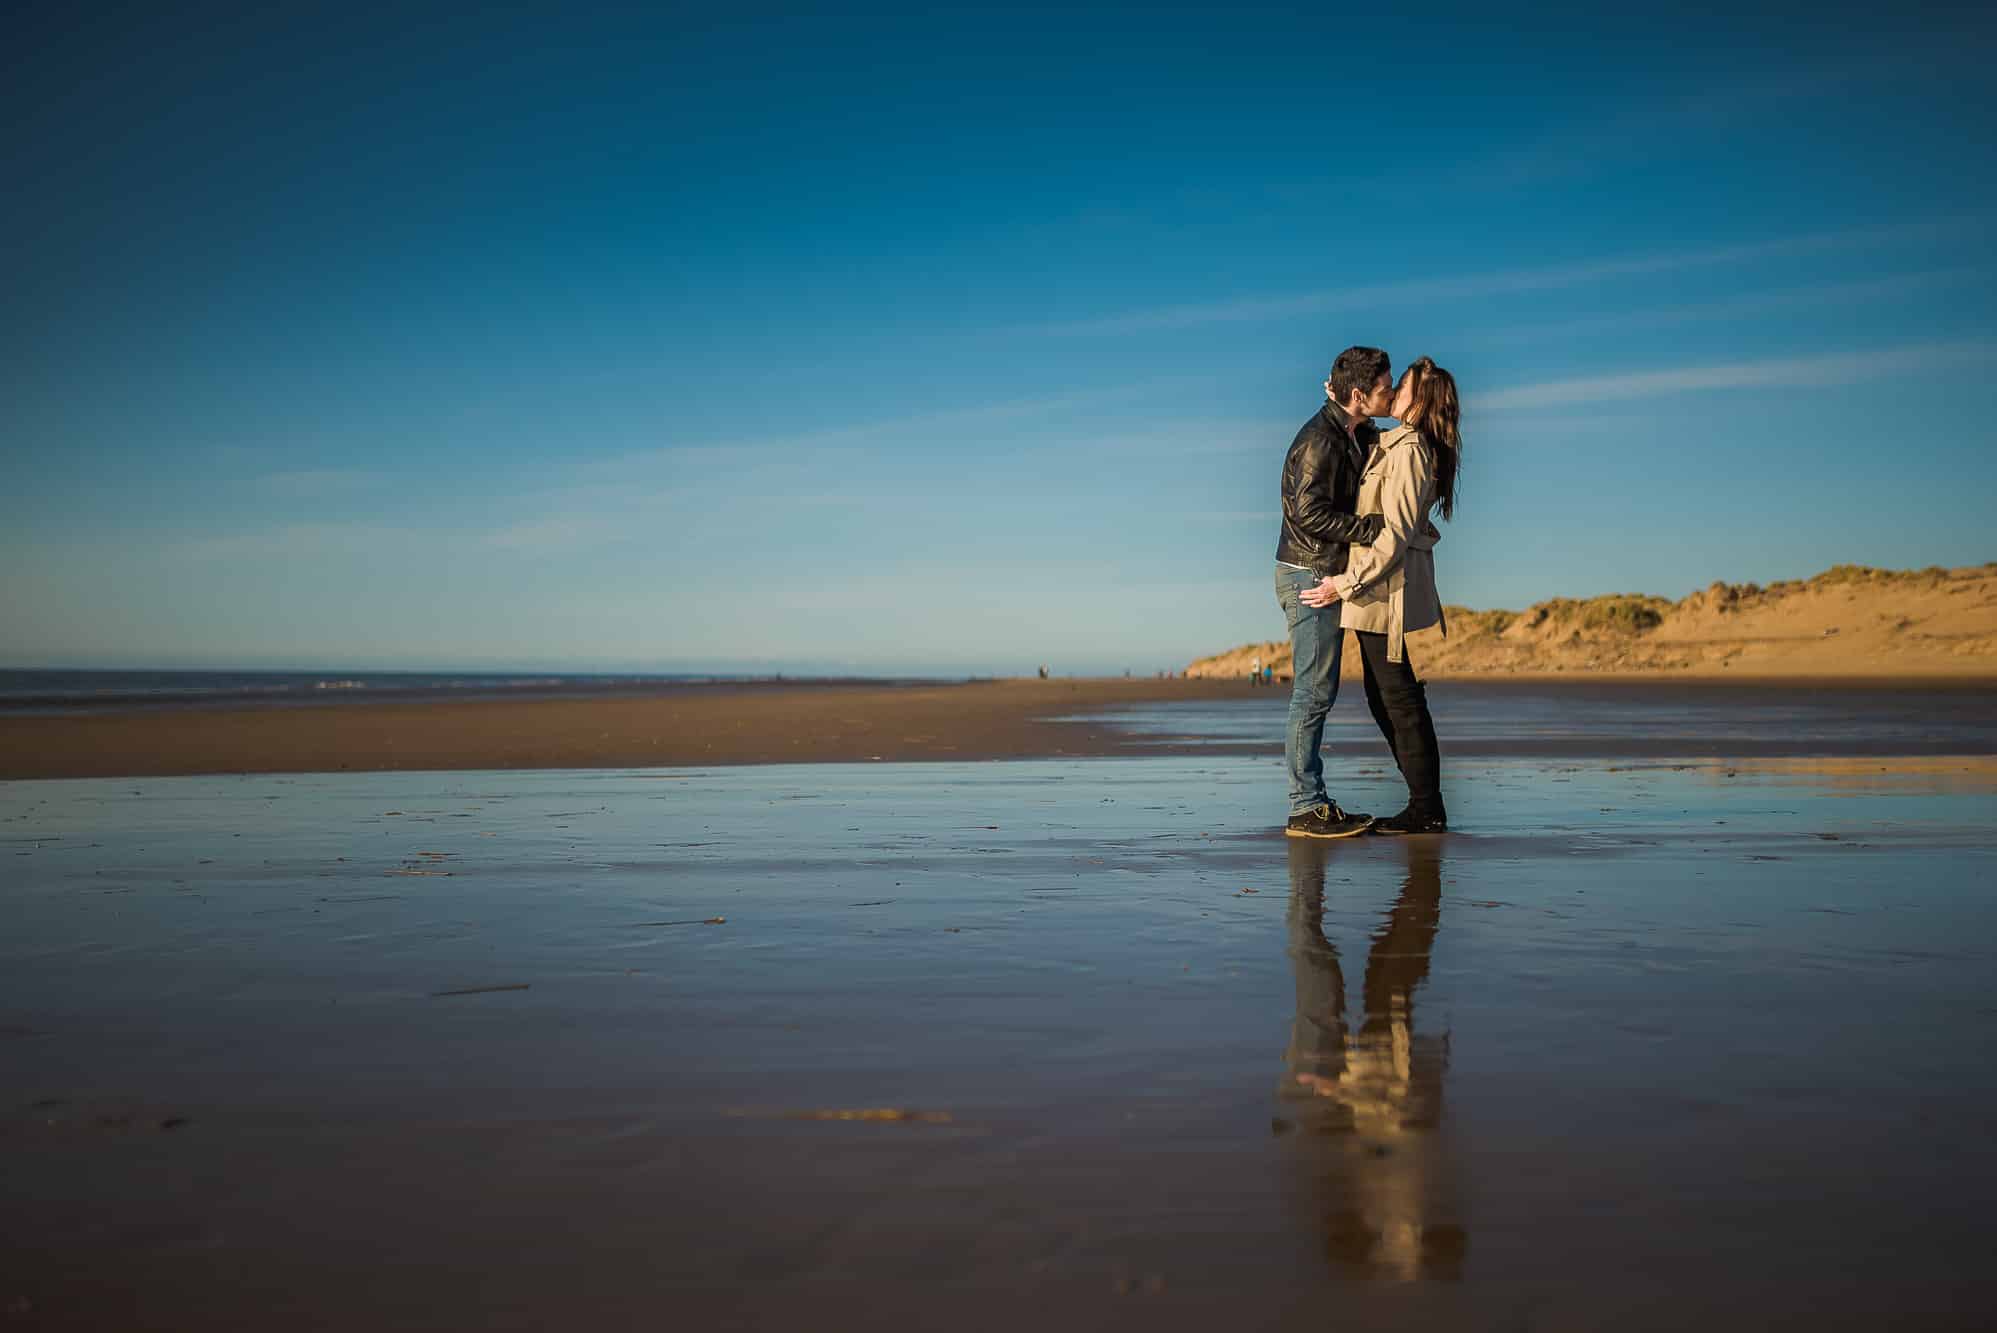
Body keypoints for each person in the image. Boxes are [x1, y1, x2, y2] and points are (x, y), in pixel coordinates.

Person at [1300, 356, 1460, 834]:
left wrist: (1341, 584)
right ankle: (1424, 803)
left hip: (1378, 590)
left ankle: (1427, 807)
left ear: (1419, 400)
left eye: (1400, 388)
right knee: (1385, 693)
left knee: (1398, 695)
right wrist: (1336, 395)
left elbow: (1391, 536)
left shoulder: (1410, 449)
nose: (1390, 394)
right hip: (1374, 587)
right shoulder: (1394, 442)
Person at [1275, 346, 1389, 839]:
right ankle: (1305, 805)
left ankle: (1309, 800)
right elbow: (1307, 512)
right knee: (1314, 690)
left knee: (1318, 689)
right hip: (1308, 574)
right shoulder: (1320, 440)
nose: (1392, 393)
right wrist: (1369, 529)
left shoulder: (1351, 428)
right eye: (1386, 387)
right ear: (1359, 394)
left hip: (1318, 569)